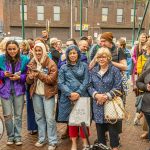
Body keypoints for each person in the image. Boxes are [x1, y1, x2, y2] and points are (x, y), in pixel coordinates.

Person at [88, 47, 122, 150]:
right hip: (97, 105)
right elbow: (89, 86)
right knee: (100, 133)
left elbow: (118, 87)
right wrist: (96, 95)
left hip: (111, 105)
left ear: (108, 58)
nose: (101, 59)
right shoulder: (93, 70)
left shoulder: (114, 70)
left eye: (104, 57)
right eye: (99, 57)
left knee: (113, 132)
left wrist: (106, 96)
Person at [57, 45, 89, 150]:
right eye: (70, 53)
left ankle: (85, 142)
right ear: (67, 55)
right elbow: (60, 83)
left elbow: (86, 80)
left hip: (82, 96)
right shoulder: (63, 67)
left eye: (74, 53)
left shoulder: (84, 66)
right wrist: (70, 94)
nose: (72, 55)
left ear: (78, 54)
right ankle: (74, 143)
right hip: (68, 98)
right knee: (72, 122)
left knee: (83, 120)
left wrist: (78, 93)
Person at [26, 42, 58, 150]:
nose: (38, 52)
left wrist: (38, 74)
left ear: (44, 50)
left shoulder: (50, 63)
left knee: (49, 118)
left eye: (40, 50)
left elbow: (51, 80)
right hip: (36, 94)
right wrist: (30, 77)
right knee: (39, 117)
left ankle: (53, 141)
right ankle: (42, 138)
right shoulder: (32, 62)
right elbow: (28, 81)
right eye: (36, 50)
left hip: (47, 94)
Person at [0, 40, 29, 145]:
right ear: (6, 49)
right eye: (9, 49)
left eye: (14, 49)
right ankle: (10, 136)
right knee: (7, 115)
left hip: (19, 90)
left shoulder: (25, 59)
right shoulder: (1, 59)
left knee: (18, 115)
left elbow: (28, 74)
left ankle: (17, 137)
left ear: (18, 49)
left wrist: (19, 77)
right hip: (5, 90)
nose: (12, 51)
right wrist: (3, 74)